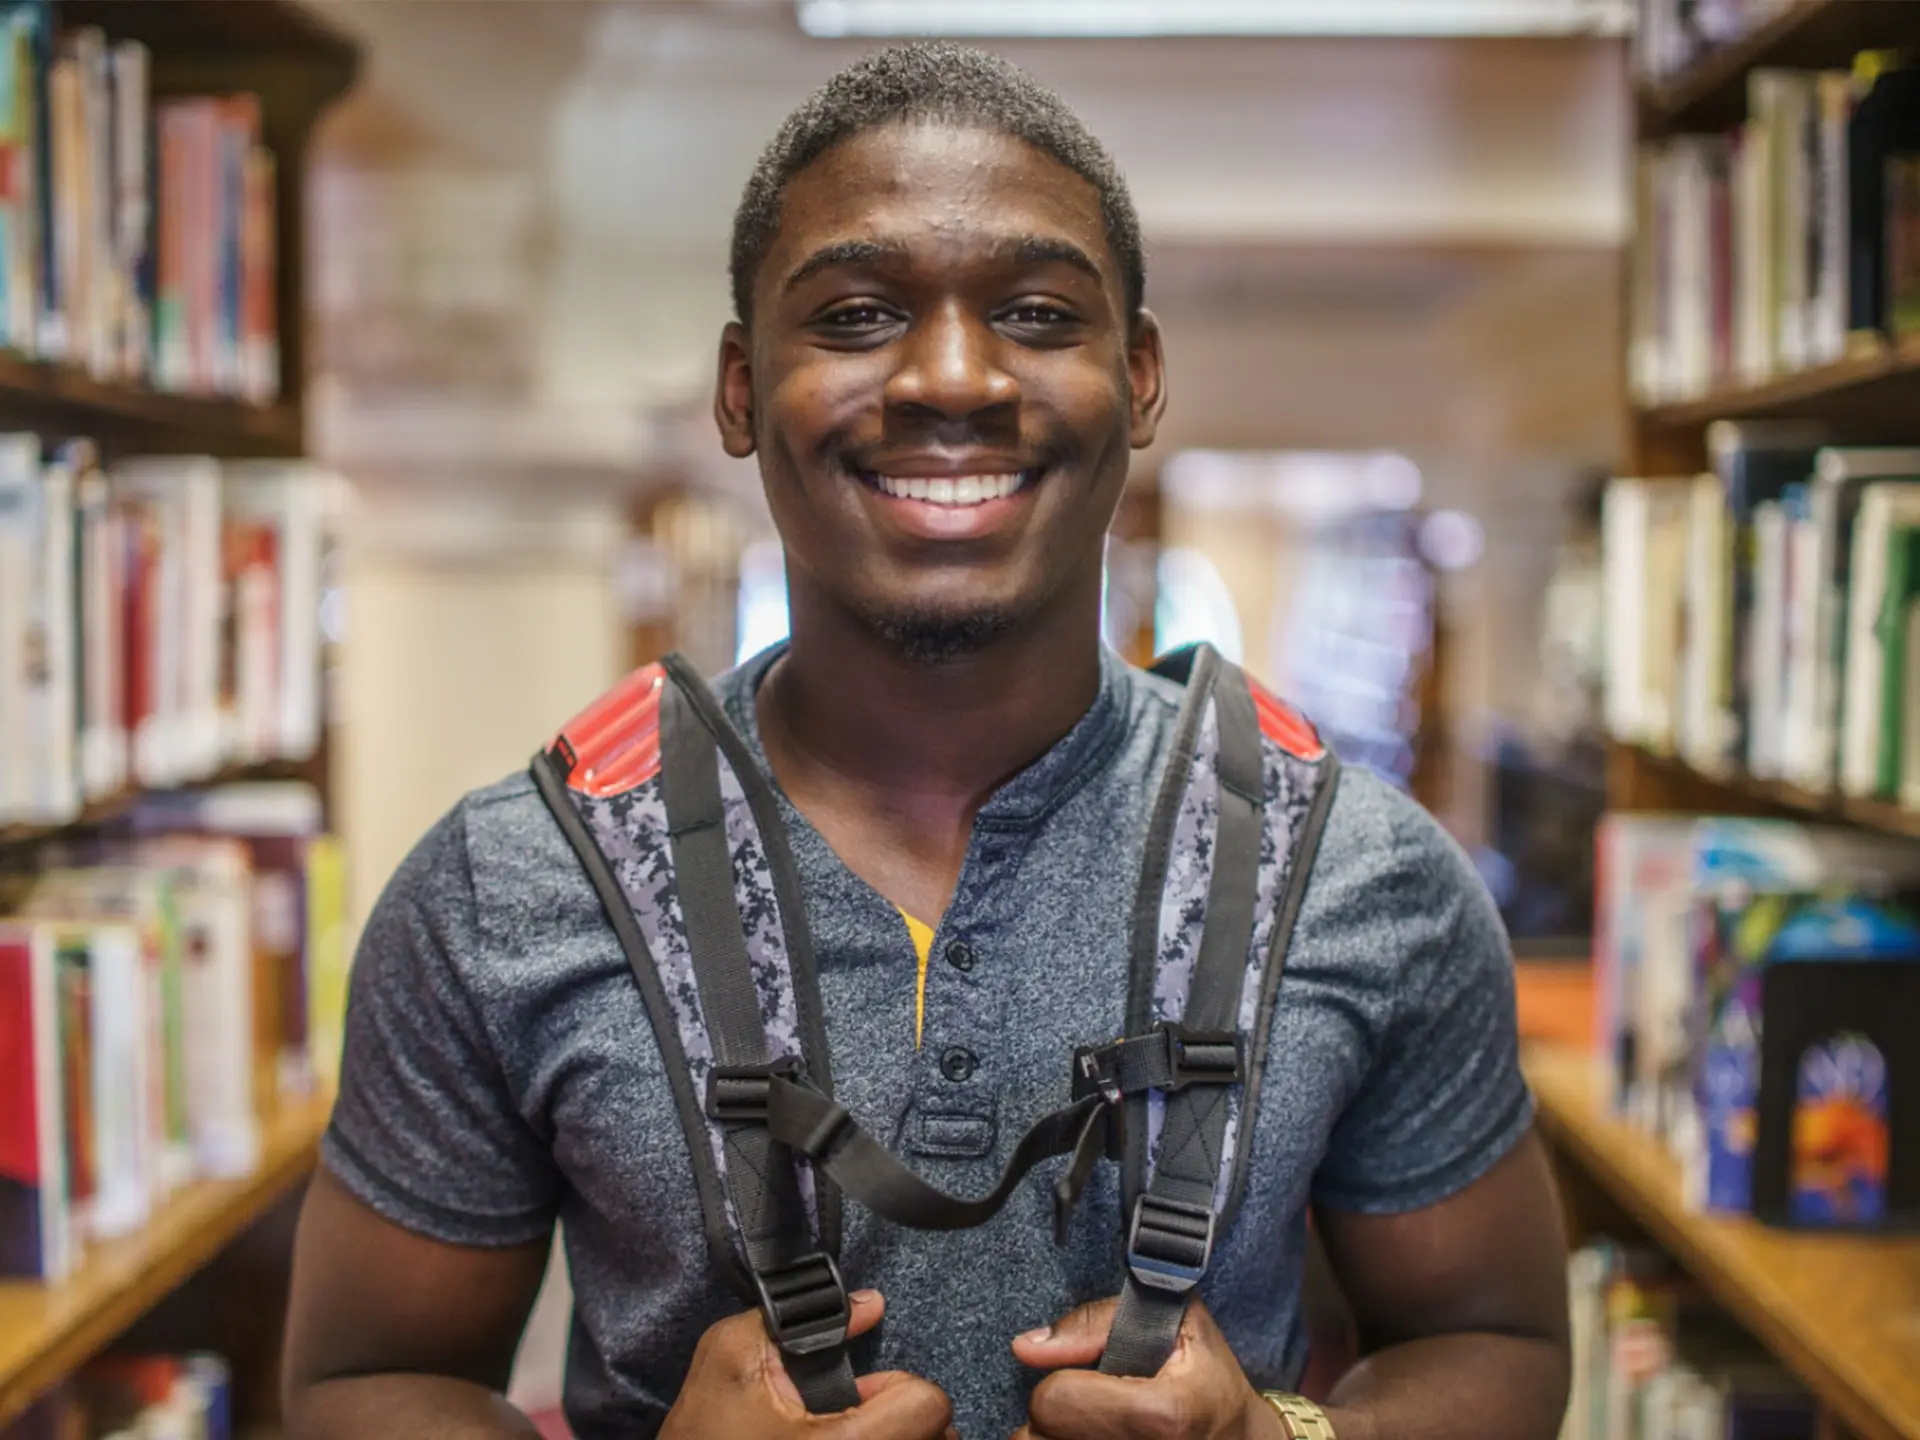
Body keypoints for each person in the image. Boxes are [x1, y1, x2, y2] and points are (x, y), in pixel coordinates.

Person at [281, 41, 1570, 1440]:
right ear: (738, 388)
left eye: (1033, 312)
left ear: (1137, 377)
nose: (952, 378)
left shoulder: (1364, 876)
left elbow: (1489, 1337)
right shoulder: (506, 889)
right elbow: (363, 1383)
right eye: (851, 316)